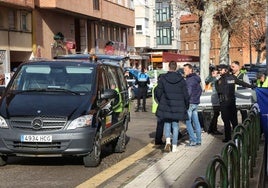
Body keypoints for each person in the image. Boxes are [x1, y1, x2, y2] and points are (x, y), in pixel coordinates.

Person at [155, 61, 189, 152]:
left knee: (166, 123)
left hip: (166, 104)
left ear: (169, 67)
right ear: (176, 68)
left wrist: (160, 101)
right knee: (175, 125)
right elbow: (186, 94)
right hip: (178, 106)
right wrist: (186, 105)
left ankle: (167, 141)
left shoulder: (163, 78)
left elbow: (158, 92)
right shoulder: (181, 80)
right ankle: (174, 146)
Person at [215, 64, 254, 142]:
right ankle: (237, 137)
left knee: (226, 121)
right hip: (232, 101)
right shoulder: (232, 77)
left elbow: (219, 91)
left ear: (225, 70)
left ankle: (228, 138)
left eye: (220, 69)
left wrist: (216, 81)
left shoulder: (220, 80)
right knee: (234, 120)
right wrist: (252, 86)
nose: (219, 71)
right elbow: (242, 83)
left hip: (224, 103)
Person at [183, 63, 202, 146]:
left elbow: (188, 92)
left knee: (188, 121)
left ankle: (193, 140)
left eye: (186, 70)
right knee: (196, 121)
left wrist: (185, 100)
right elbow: (200, 90)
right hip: (195, 102)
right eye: (184, 70)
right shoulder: (196, 79)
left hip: (190, 103)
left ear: (191, 70)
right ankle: (198, 140)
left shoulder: (190, 80)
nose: (184, 71)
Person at [205, 67, 222, 135]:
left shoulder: (209, 78)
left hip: (211, 98)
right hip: (214, 98)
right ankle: (213, 129)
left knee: (215, 114)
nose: (217, 74)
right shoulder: (213, 79)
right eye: (216, 72)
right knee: (215, 114)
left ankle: (211, 128)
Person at [152, 75, 164, 145]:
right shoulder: (164, 87)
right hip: (164, 108)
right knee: (169, 122)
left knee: (160, 125)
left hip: (159, 108)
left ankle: (158, 139)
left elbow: (156, 98)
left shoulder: (156, 87)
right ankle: (178, 135)